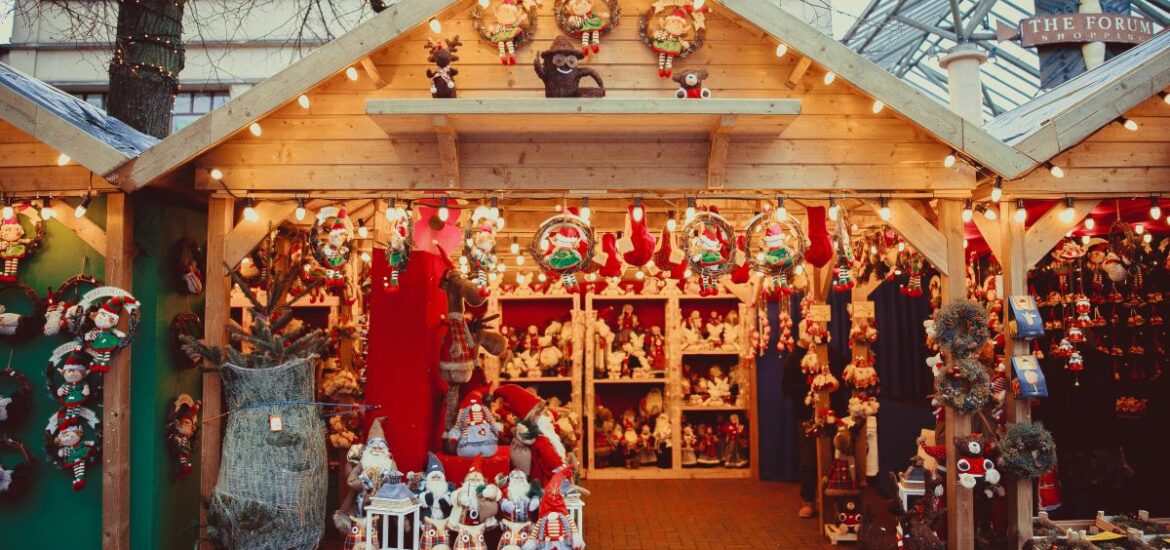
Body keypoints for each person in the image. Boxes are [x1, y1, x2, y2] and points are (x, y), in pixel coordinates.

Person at [781, 336, 815, 518]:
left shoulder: (826, 353)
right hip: (804, 415)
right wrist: (808, 390)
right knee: (808, 459)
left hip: (831, 413)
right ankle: (808, 500)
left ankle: (834, 500)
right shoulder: (793, 359)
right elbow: (787, 388)